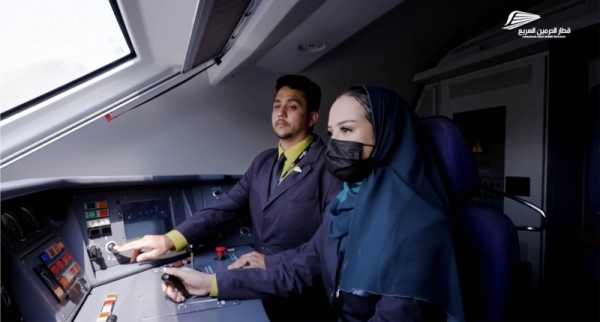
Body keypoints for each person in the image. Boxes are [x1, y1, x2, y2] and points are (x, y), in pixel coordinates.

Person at [161, 85, 466, 321]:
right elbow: (303, 264)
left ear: (386, 135)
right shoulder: (348, 202)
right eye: (332, 133)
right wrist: (209, 283)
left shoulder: (419, 226)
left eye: (347, 130)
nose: (335, 144)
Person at [116, 74, 342, 321]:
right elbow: (225, 207)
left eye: (292, 106)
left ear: (312, 118)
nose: (281, 112)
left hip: (303, 296)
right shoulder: (262, 162)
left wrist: (272, 261)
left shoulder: (331, 168)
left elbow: (325, 247)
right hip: (257, 284)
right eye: (277, 105)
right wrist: (170, 240)